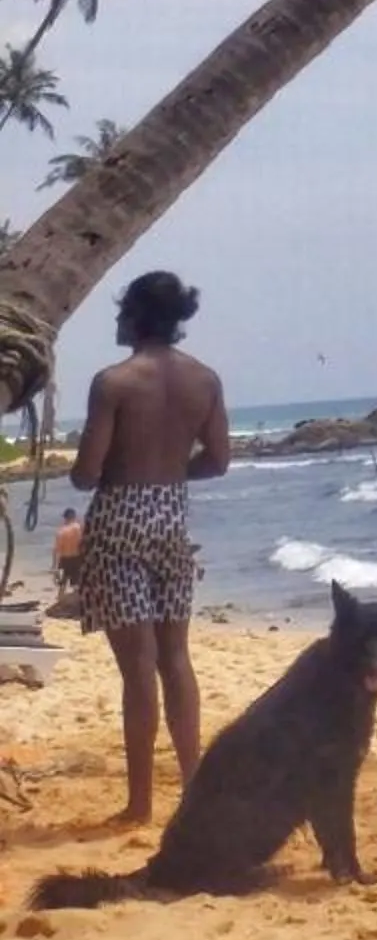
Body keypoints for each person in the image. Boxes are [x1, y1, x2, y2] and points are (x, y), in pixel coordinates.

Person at [70, 270, 231, 825]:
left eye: (121, 313)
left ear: (136, 317)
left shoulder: (113, 382)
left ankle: (140, 804)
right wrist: (167, 469)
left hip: (119, 519)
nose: (116, 321)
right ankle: (196, 790)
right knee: (176, 658)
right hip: (172, 516)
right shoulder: (205, 380)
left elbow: (88, 474)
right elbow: (217, 460)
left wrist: (118, 468)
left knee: (137, 668)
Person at [47, 505, 83, 619]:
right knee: (77, 583)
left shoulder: (61, 532)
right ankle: (78, 606)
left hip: (65, 559)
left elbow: (56, 551)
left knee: (63, 583)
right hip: (77, 558)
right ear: (74, 517)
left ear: (66, 518)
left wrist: (54, 567)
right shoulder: (79, 528)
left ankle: (60, 604)